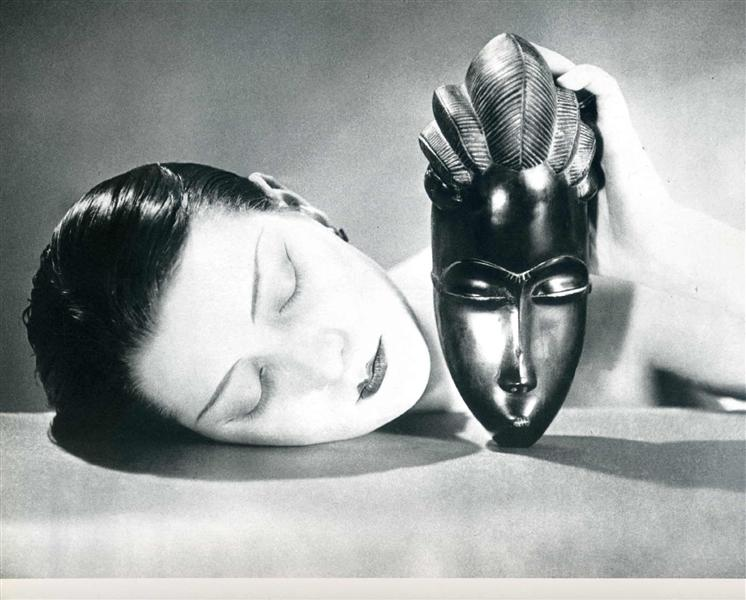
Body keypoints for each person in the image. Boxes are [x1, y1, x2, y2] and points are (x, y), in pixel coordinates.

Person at [24, 43, 744, 447]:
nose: (324, 360)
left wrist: (666, 246)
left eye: (288, 286)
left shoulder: (613, 308)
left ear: (298, 206)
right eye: (250, 395)